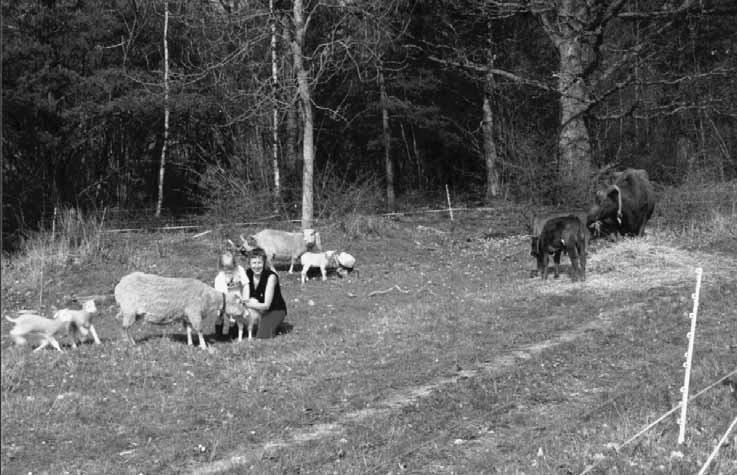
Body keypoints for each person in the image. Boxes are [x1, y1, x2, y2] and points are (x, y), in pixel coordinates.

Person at [243, 246, 287, 338]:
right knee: (240, 331)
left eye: (259, 263)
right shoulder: (247, 274)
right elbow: (245, 298)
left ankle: (274, 324)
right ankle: (263, 323)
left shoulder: (271, 277)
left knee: (262, 336)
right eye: (254, 263)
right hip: (256, 308)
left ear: (264, 263)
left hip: (274, 309)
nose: (257, 266)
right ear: (249, 264)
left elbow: (266, 305)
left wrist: (246, 304)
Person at [213, 250, 248, 339]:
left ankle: (233, 333)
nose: (228, 270)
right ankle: (219, 334)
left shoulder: (240, 270)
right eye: (225, 268)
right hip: (225, 300)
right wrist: (225, 307)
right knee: (219, 315)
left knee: (235, 318)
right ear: (221, 267)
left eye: (231, 268)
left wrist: (245, 298)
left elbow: (246, 284)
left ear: (235, 265)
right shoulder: (219, 278)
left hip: (238, 298)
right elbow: (222, 296)